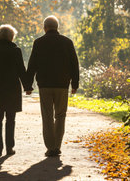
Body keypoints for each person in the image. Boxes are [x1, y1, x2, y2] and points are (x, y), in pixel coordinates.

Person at [25, 15, 79, 157]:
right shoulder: (67, 42)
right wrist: (75, 84)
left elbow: (32, 65)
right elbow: (74, 64)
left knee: (47, 116)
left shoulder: (39, 42)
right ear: (57, 27)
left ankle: (50, 147)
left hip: (45, 85)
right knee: (60, 115)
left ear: (45, 28)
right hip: (62, 85)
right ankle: (57, 145)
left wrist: (28, 85)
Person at [0, 24, 31, 156]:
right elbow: (21, 70)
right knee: (11, 119)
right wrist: (27, 86)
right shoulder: (16, 51)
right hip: (12, 88)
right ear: (11, 37)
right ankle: (9, 147)